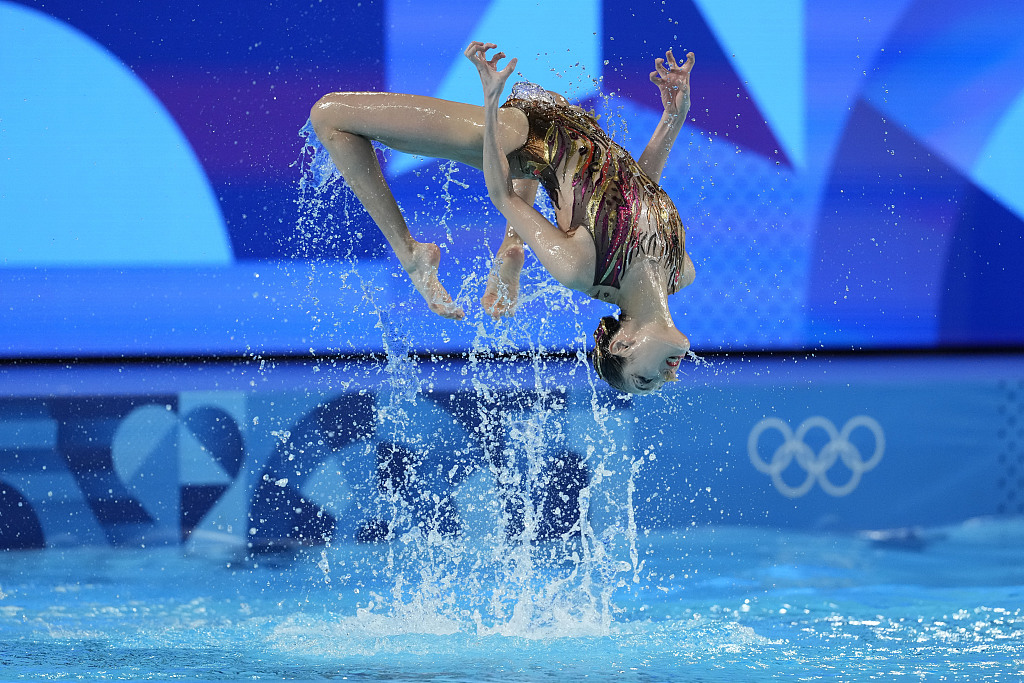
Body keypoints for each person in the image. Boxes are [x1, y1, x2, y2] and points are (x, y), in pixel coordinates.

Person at [308, 41, 696, 394]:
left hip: (516, 137)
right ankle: (512, 246)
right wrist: (673, 118)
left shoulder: (580, 268)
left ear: (622, 344)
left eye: (646, 379)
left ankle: (412, 254)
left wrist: (491, 104)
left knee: (330, 116)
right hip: (557, 120)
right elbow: (639, 190)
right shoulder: (680, 272)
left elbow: (502, 194)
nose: (670, 375)